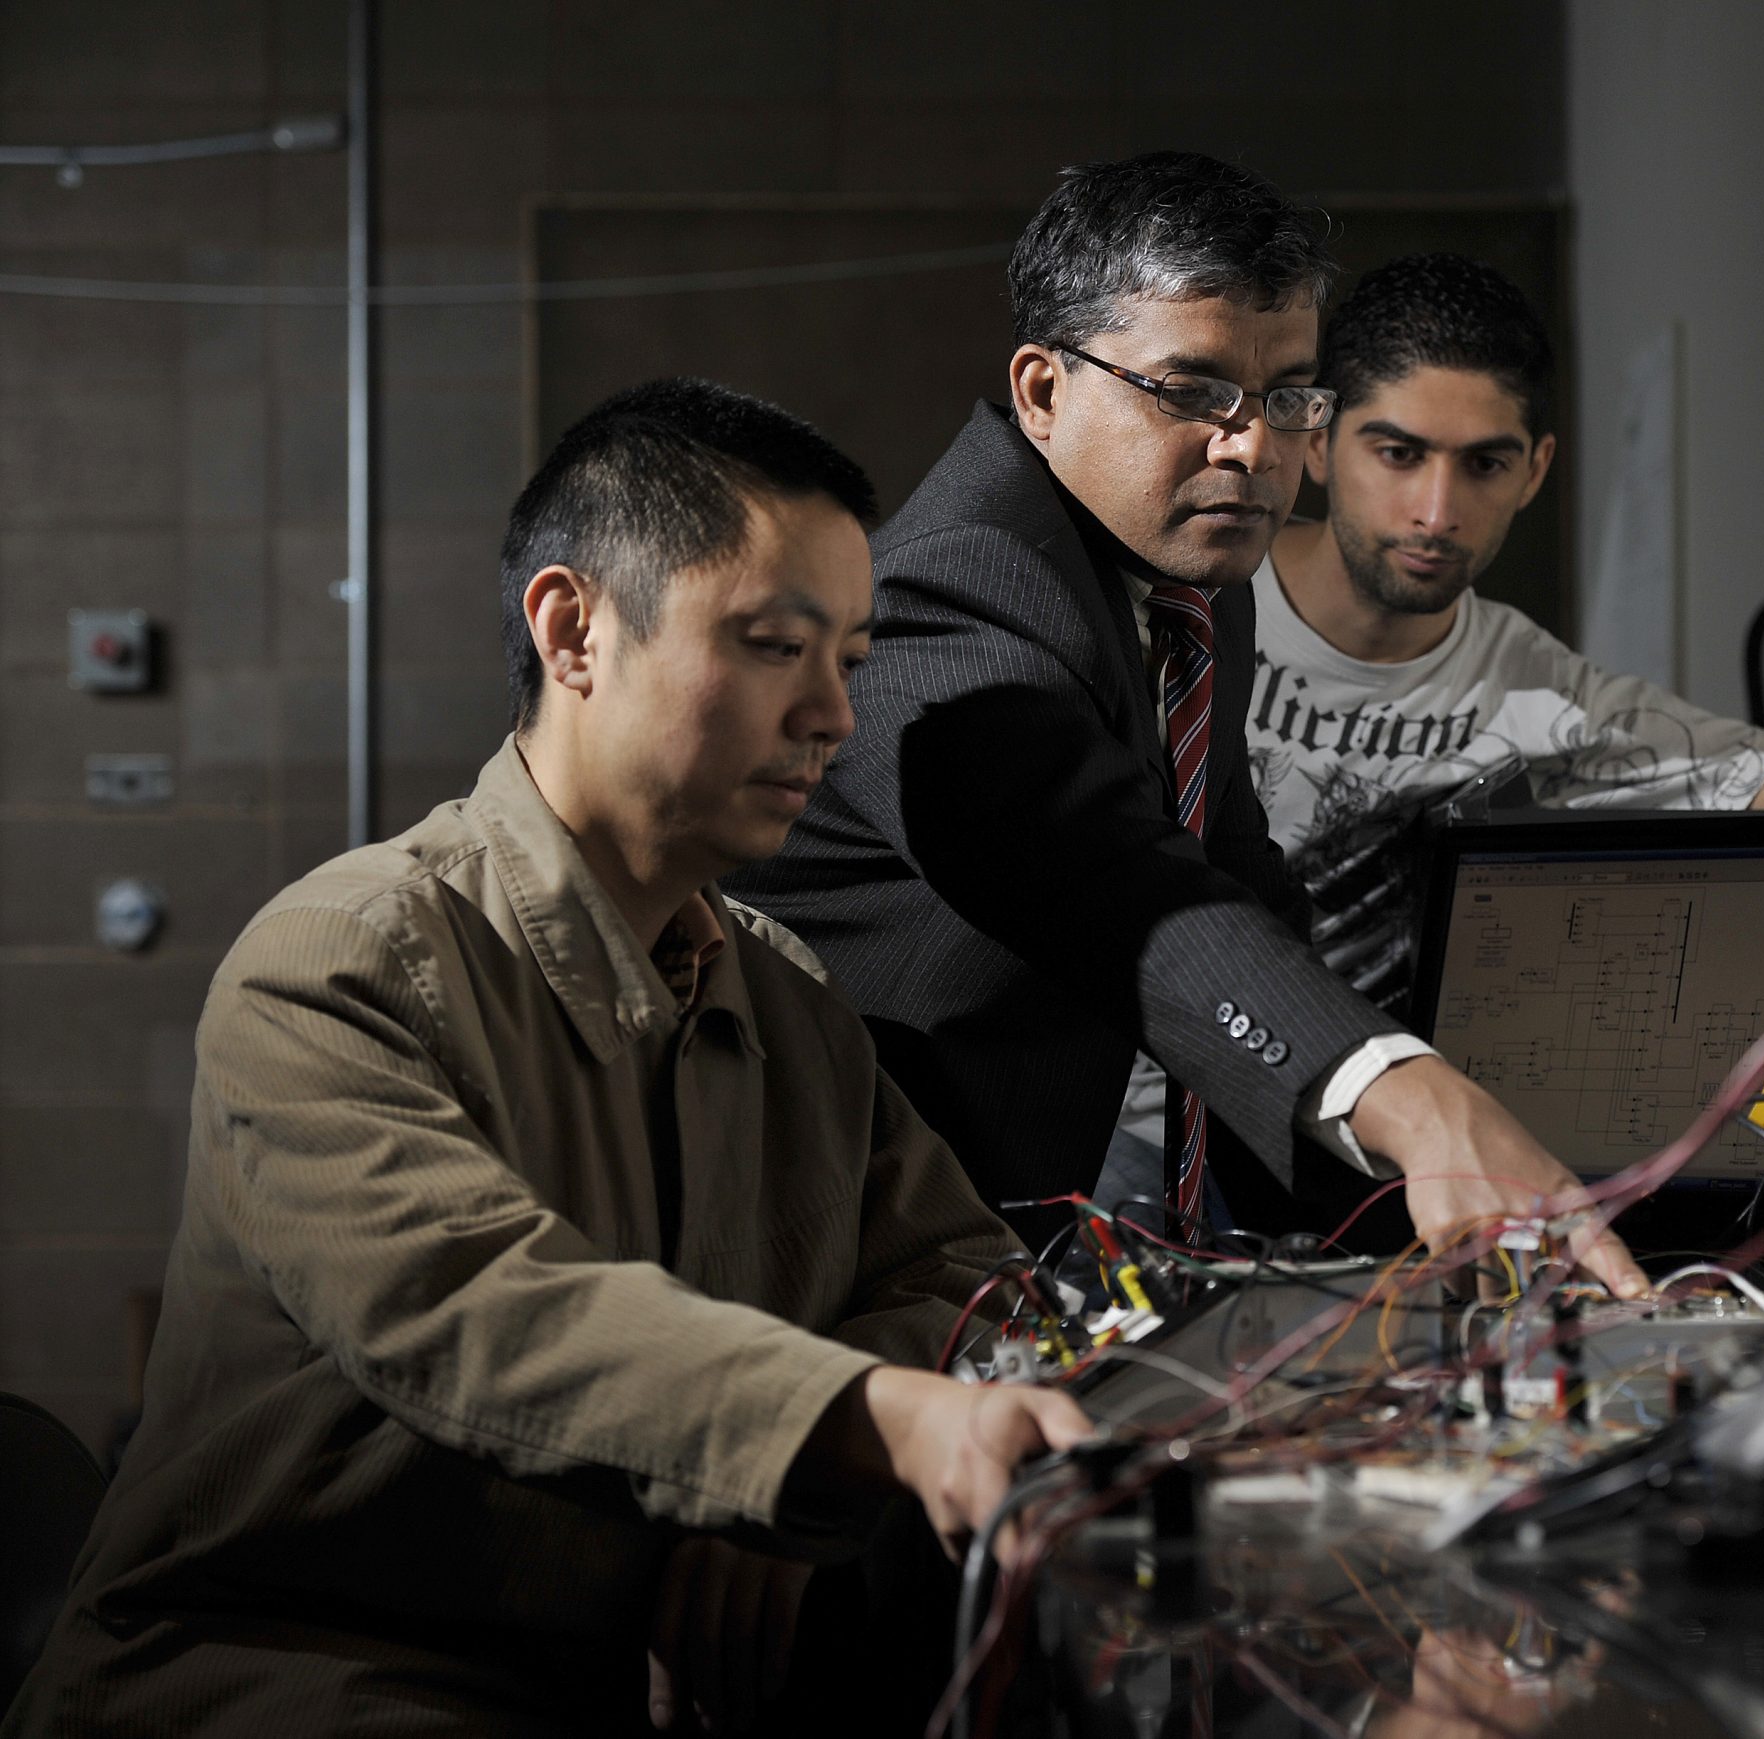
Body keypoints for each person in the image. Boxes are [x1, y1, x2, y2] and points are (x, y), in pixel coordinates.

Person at [4, 380, 1089, 1739]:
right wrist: (850, 1418)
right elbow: (483, 1308)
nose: (833, 719)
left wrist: (795, 1492)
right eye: (771, 645)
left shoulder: (780, 992)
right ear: (574, 629)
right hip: (293, 1668)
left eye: (850, 663)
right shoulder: (341, 959)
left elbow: (966, 1278)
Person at [726, 154, 1645, 1294]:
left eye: (1289, 396)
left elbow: (1241, 895)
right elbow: (1118, 885)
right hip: (838, 1270)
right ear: (1042, 390)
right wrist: (1412, 1100)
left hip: (1036, 1250)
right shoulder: (946, 592)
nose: (1253, 448)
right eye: (1192, 391)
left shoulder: (1199, 579)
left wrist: (1407, 1246)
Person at [1109, 254, 1764, 1181]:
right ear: (1317, 442)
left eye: (1484, 464)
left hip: (1358, 1175)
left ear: (1535, 470)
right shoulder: (1185, 605)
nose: (1437, 511)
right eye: (1398, 454)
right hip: (1128, 1144)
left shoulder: (1545, 698)